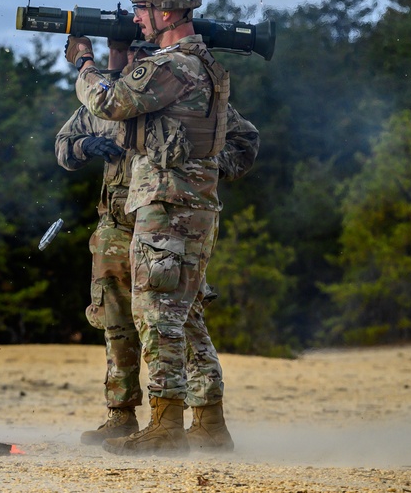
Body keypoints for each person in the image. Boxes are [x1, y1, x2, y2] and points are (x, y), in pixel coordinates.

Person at [56, 40, 259, 452]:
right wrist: (82, 147)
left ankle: (201, 417)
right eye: (127, 52)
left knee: (178, 317)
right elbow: (62, 146)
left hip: (167, 221)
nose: (132, 60)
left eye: (139, 52)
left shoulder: (171, 94)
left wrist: (197, 166)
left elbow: (243, 140)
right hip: (117, 223)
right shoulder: (105, 101)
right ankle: (121, 412)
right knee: (115, 320)